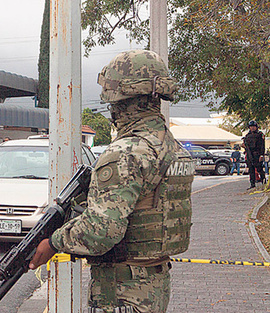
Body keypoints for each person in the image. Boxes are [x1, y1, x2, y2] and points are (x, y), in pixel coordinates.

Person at [29, 50, 193, 313]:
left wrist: (53, 242)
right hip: (153, 285)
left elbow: (100, 232)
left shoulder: (125, 152)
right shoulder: (171, 146)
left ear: (121, 98)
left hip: (121, 293)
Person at [243, 120, 265, 189]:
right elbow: (246, 146)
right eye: (251, 127)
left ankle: (264, 183)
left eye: (254, 126)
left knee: (259, 169)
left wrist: (262, 155)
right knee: (251, 170)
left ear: (256, 127)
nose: (252, 128)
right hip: (250, 154)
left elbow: (262, 146)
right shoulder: (247, 136)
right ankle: (252, 185)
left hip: (257, 154)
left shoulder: (259, 135)